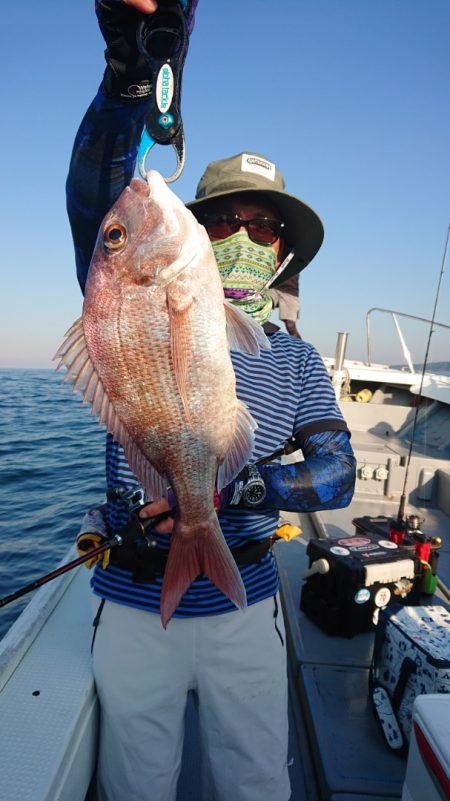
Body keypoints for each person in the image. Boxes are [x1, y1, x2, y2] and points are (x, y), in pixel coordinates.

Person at [67, 2, 356, 800]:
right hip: (131, 601)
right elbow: (97, 194)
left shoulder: (297, 360)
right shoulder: (127, 295)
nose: (240, 233)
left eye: (263, 229)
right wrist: (132, 70)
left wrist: (232, 492)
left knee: (257, 784)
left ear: (283, 254)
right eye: (224, 217)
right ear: (194, 228)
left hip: (247, 603)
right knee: (134, 786)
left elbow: (337, 475)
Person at [268, 273, 302, 338]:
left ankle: (300, 346)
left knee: (291, 326)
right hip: (273, 287)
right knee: (259, 308)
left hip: (290, 292)